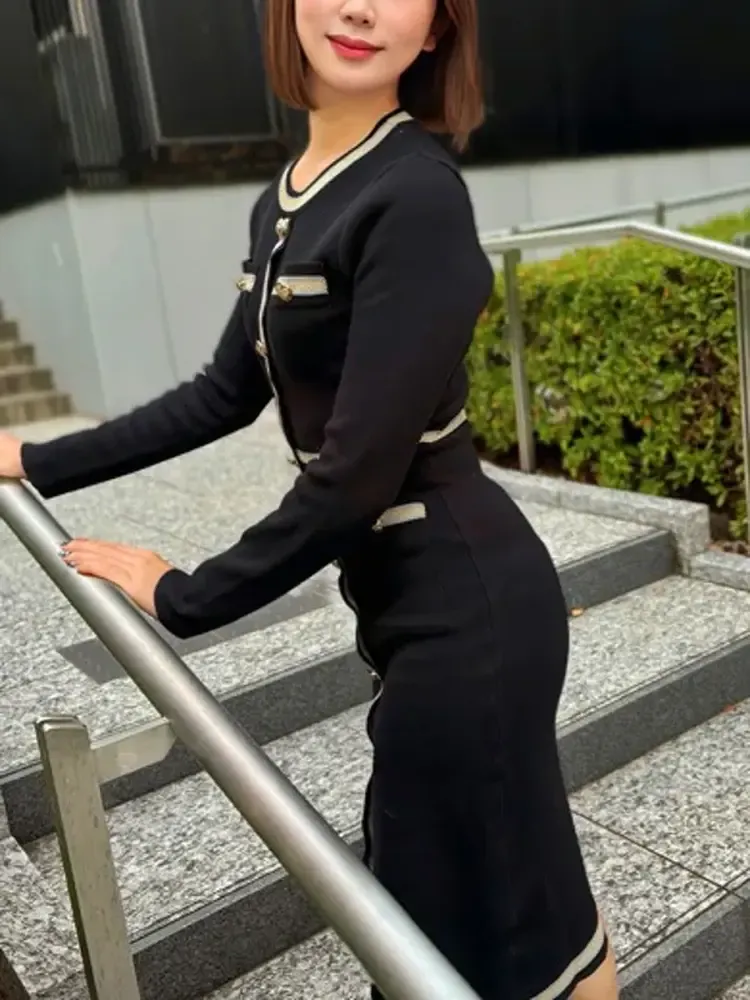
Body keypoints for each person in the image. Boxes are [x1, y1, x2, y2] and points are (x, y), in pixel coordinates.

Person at [0, 2, 619, 997]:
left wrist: (186, 594)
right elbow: (222, 393)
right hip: (407, 603)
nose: (362, 7)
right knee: (520, 900)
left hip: (469, 616)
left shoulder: (413, 195)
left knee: (463, 927)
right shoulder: (285, 200)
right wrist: (38, 456)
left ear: (438, 30)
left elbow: (354, 476)